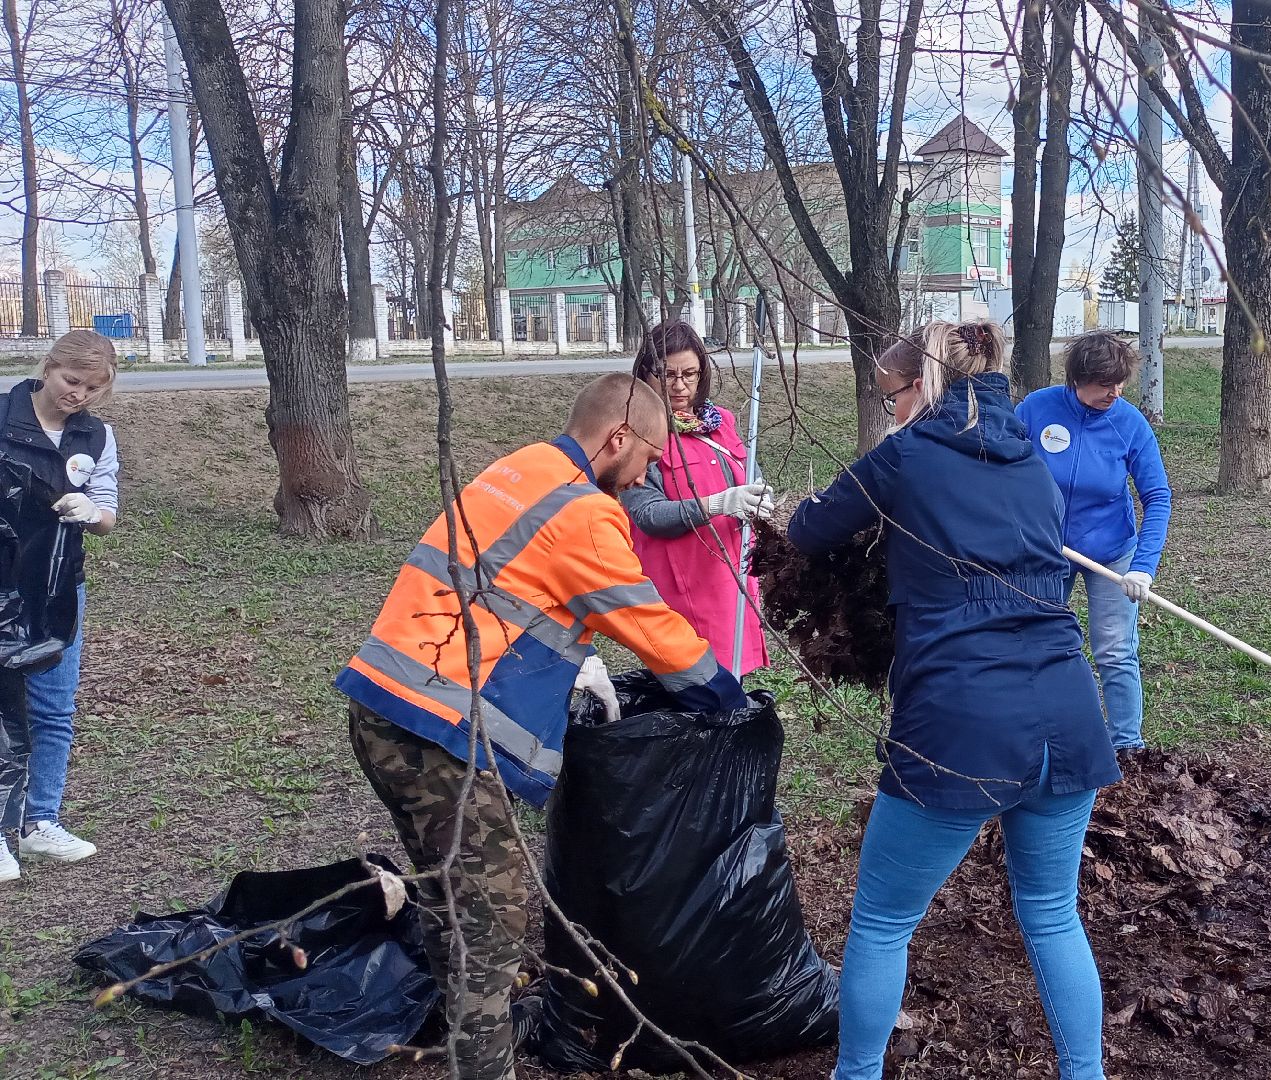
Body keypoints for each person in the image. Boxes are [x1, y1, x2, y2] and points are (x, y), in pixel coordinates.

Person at [335, 373, 747, 1080]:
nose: (647, 472)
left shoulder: (520, 466)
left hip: (380, 708)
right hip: (444, 737)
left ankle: (462, 1024)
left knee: (446, 893)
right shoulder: (582, 511)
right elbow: (650, 626)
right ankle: (482, 1060)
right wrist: (723, 698)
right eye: (647, 457)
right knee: (491, 930)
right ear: (616, 439)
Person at [790, 320, 1119, 1080]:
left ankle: (856, 1075)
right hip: (1066, 713)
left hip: (961, 720)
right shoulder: (1031, 460)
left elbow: (808, 529)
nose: (891, 412)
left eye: (891, 397)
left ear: (920, 388)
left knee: (880, 921)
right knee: (1050, 913)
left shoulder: (905, 456)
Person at [0, 330, 122, 883]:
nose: (80, 395)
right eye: (72, 381)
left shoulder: (95, 436)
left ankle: (38, 820)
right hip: (3, 585)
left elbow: (109, 518)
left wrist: (90, 509)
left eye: (93, 387)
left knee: (53, 708)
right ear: (47, 369)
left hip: (57, 589)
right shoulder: (3, 418)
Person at [1015, 331, 1171, 755]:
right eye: (1106, 384)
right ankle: (1040, 739)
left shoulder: (1129, 423)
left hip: (1112, 551)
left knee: (1116, 651)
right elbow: (1002, 468)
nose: (1116, 393)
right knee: (1036, 644)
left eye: (1121, 383)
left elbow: (1157, 496)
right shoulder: (1035, 409)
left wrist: (1143, 565)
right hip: (1047, 550)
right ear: (1077, 378)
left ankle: (1127, 746)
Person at [621, 321, 774, 675]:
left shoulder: (720, 422)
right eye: (666, 374)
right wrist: (718, 504)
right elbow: (648, 514)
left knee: (732, 685)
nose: (679, 385)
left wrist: (757, 495)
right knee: (695, 686)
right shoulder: (635, 433)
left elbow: (747, 472)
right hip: (680, 588)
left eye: (689, 374)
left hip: (730, 580)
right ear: (646, 373)